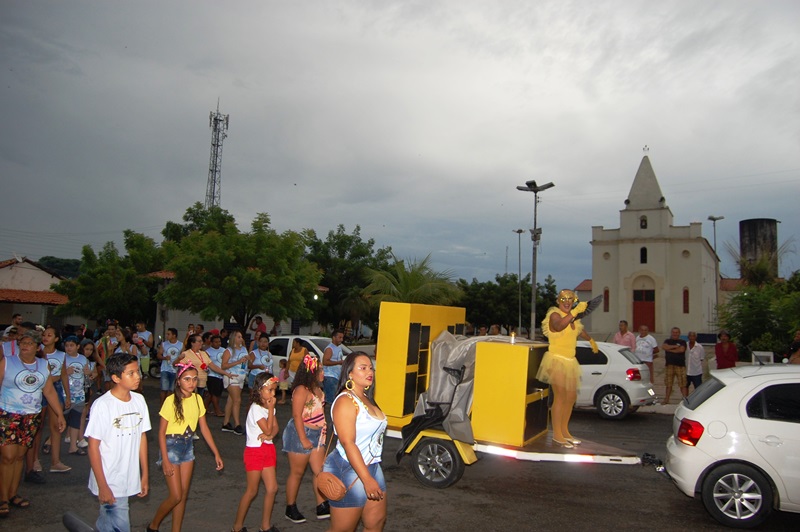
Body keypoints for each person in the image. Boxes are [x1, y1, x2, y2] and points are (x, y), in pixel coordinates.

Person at [147, 363, 224, 532]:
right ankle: (153, 526)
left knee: (182, 496)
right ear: (178, 381)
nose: (191, 383)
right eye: (187, 379)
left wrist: (216, 453)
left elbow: (204, 428)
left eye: (194, 379)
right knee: (175, 495)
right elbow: (161, 432)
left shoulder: (197, 399)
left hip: (188, 446)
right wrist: (165, 460)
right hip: (171, 447)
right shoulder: (170, 400)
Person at [0, 330, 66, 518]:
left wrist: (59, 414)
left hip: (30, 416)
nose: (25, 345)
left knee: (20, 456)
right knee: (7, 456)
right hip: (8, 413)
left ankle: (13, 494)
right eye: (23, 342)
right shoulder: (7, 362)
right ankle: (3, 497)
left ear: (37, 348)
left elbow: (49, 391)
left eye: (29, 343)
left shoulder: (43, 365)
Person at [85, 353, 150, 532]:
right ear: (115, 377)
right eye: (131, 373)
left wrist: (144, 474)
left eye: (138, 372)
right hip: (110, 478)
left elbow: (142, 437)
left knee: (108, 523)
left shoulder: (139, 400)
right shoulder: (103, 405)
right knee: (120, 525)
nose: (138, 377)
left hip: (129, 475)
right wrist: (102, 485)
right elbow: (93, 446)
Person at [324, 352, 387, 532]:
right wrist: (366, 479)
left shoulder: (365, 398)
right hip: (348, 469)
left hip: (373, 466)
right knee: (343, 529)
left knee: (376, 523)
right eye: (363, 368)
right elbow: (347, 442)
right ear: (350, 374)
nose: (370, 371)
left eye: (371, 368)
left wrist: (370, 476)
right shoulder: (346, 401)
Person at [537, 290, 599, 448]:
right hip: (556, 360)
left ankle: (565, 431)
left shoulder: (574, 318)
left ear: (574, 300)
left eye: (570, 299)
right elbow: (558, 327)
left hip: (570, 362)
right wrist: (575, 312)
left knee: (571, 397)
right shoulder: (554, 314)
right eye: (563, 299)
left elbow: (579, 330)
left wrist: (591, 340)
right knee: (560, 396)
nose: (567, 302)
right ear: (558, 300)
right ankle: (557, 435)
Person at [283, 353, 329, 523]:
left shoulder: (318, 388)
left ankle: (321, 504)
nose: (323, 372)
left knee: (320, 471)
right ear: (312, 371)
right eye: (321, 369)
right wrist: (303, 439)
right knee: (297, 472)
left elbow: (319, 411)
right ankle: (290, 507)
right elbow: (296, 415)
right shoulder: (301, 389)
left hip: (317, 435)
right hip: (300, 433)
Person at [231, 373, 280, 532]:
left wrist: (270, 435)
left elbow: (274, 428)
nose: (273, 394)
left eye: (274, 391)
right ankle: (237, 527)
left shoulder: (268, 407)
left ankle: (265, 526)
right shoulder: (256, 408)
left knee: (272, 488)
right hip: (255, 450)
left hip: (268, 448)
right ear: (259, 390)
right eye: (270, 390)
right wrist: (271, 413)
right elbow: (267, 427)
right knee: (252, 490)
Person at [41, 325, 72, 473]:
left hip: (57, 389)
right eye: (44, 335)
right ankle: (34, 460)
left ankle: (55, 461)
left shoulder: (61, 355)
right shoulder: (38, 352)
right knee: (38, 427)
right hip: (39, 390)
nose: (45, 337)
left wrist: (68, 395)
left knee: (56, 426)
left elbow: (64, 374)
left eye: (49, 335)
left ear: (56, 338)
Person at [63, 336, 89, 456]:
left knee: (75, 420)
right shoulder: (62, 358)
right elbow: (56, 374)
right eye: (67, 345)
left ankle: (73, 446)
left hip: (79, 394)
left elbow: (88, 374)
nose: (69, 348)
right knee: (61, 419)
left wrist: (88, 373)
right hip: (65, 394)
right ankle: (50, 442)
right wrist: (65, 372)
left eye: (71, 345)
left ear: (78, 347)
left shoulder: (83, 358)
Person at [221, 331, 250, 435]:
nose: (241, 339)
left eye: (241, 337)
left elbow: (248, 361)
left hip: (241, 376)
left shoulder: (243, 349)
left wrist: (247, 359)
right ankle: (237, 424)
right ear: (233, 338)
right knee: (237, 400)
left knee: (231, 400)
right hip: (231, 376)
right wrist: (238, 362)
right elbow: (223, 366)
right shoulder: (228, 351)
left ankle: (226, 423)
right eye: (238, 337)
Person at [157, 328, 183, 405]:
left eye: (169, 334)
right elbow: (158, 355)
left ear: (174, 335)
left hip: (175, 369)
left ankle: (168, 406)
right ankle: (162, 406)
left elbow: (182, 356)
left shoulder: (181, 345)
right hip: (165, 369)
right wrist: (164, 358)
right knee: (163, 389)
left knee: (171, 390)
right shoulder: (164, 344)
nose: (167, 336)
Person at [662, 327, 688, 405]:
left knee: (682, 383)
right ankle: (666, 399)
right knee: (668, 383)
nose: (675, 334)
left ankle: (685, 399)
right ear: (671, 333)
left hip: (680, 365)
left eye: (676, 332)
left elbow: (681, 350)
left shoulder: (682, 342)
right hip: (669, 365)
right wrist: (675, 347)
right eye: (673, 332)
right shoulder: (667, 341)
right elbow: (664, 347)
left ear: (679, 333)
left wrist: (669, 349)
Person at [204, 334, 226, 417]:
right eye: (216, 342)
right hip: (212, 375)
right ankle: (217, 410)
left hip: (221, 375)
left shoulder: (224, 350)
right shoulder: (208, 352)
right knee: (214, 394)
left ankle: (204, 407)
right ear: (212, 343)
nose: (218, 343)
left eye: (219, 341)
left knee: (214, 394)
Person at [323, 329, 346, 405]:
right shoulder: (329, 349)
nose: (341, 340)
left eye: (342, 338)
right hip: (330, 377)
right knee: (331, 401)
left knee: (335, 399)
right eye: (339, 337)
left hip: (336, 377)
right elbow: (325, 362)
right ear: (334, 337)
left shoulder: (338, 347)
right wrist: (339, 362)